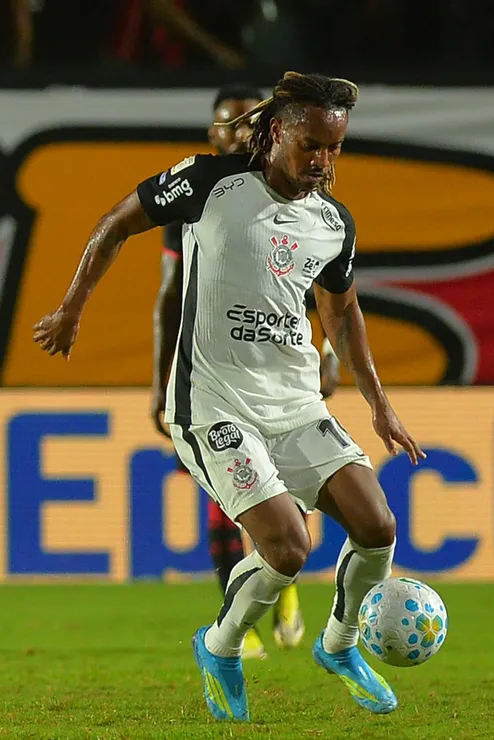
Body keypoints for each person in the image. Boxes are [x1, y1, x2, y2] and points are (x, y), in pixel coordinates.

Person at [34, 72, 424, 722]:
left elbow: (342, 311)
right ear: (276, 132)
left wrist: (379, 402)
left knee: (378, 527)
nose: (323, 163)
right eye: (311, 146)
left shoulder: (332, 222)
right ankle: (220, 646)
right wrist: (72, 308)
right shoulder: (209, 183)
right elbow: (115, 223)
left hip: (296, 405)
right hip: (213, 404)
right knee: (290, 548)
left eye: (334, 149)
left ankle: (339, 644)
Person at [155, 84, 314, 660]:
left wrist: (334, 358)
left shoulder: (295, 194)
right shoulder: (195, 198)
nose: (239, 133)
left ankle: (282, 593)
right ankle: (238, 622)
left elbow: (324, 294)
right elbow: (170, 299)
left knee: (286, 491)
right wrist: (161, 385)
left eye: (250, 124)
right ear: (212, 134)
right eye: (229, 124)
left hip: (279, 377)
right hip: (212, 378)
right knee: (227, 497)